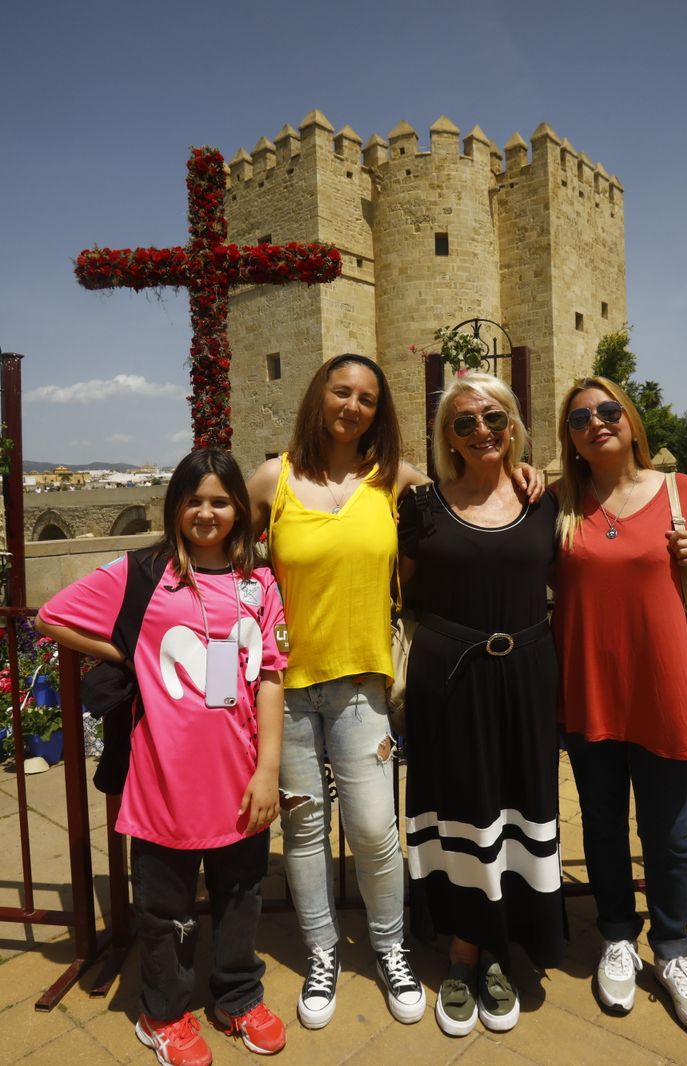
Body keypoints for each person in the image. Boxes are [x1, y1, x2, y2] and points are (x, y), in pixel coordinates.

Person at [245, 354, 542, 1032]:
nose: (352, 406)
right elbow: (224, 548)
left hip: (364, 683)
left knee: (376, 830)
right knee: (305, 830)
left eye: (367, 398)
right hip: (286, 690)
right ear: (319, 396)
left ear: (380, 412)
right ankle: (322, 953)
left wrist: (528, 469)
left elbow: (472, 485)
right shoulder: (273, 480)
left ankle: (389, 948)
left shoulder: (396, 482)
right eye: (341, 391)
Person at [37, 449, 288, 1066]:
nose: (207, 512)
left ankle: (236, 997)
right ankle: (163, 1013)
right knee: (164, 908)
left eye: (221, 501)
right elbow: (51, 616)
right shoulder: (144, 573)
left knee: (240, 896)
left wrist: (269, 770)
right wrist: (128, 653)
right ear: (175, 505)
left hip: (241, 774)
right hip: (165, 778)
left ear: (239, 510)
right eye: (194, 500)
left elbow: (272, 676)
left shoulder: (259, 583)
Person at [551, 377, 687, 1037]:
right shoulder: (559, 501)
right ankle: (615, 937)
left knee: (666, 834)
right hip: (589, 691)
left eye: (608, 411)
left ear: (631, 422)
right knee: (601, 826)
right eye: (580, 418)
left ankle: (676, 951)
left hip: (663, 687)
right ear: (569, 437)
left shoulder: (681, 492)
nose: (596, 423)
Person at [396, 373, 564, 1037]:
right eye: (463, 422)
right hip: (451, 677)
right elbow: (400, 590)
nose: (481, 431)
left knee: (521, 805)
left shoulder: (546, 501)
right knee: (462, 808)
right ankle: (465, 949)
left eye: (492, 417)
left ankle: (503, 945)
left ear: (515, 424)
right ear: (446, 438)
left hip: (526, 675)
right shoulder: (424, 506)